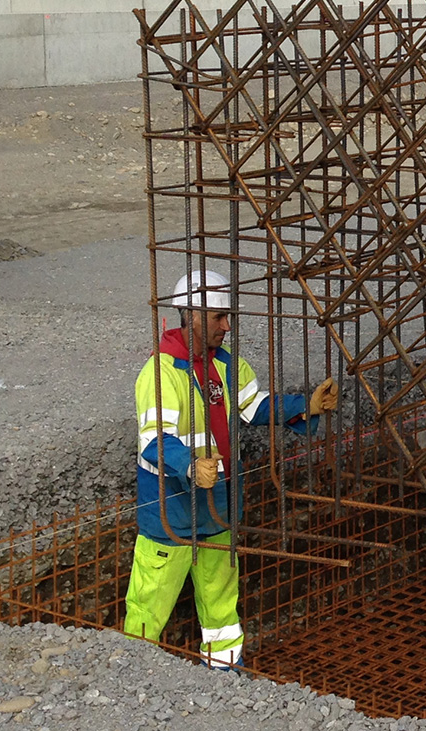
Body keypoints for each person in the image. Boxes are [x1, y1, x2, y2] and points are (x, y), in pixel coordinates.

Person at [125, 270, 339, 668]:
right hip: (169, 513)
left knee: (222, 606)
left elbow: (254, 407)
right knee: (148, 605)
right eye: (218, 317)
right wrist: (189, 466)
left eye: (228, 317)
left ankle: (224, 675)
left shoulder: (226, 365)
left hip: (217, 508)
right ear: (190, 315)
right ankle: (134, 677)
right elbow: (155, 440)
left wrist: (305, 407)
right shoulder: (160, 375)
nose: (227, 326)